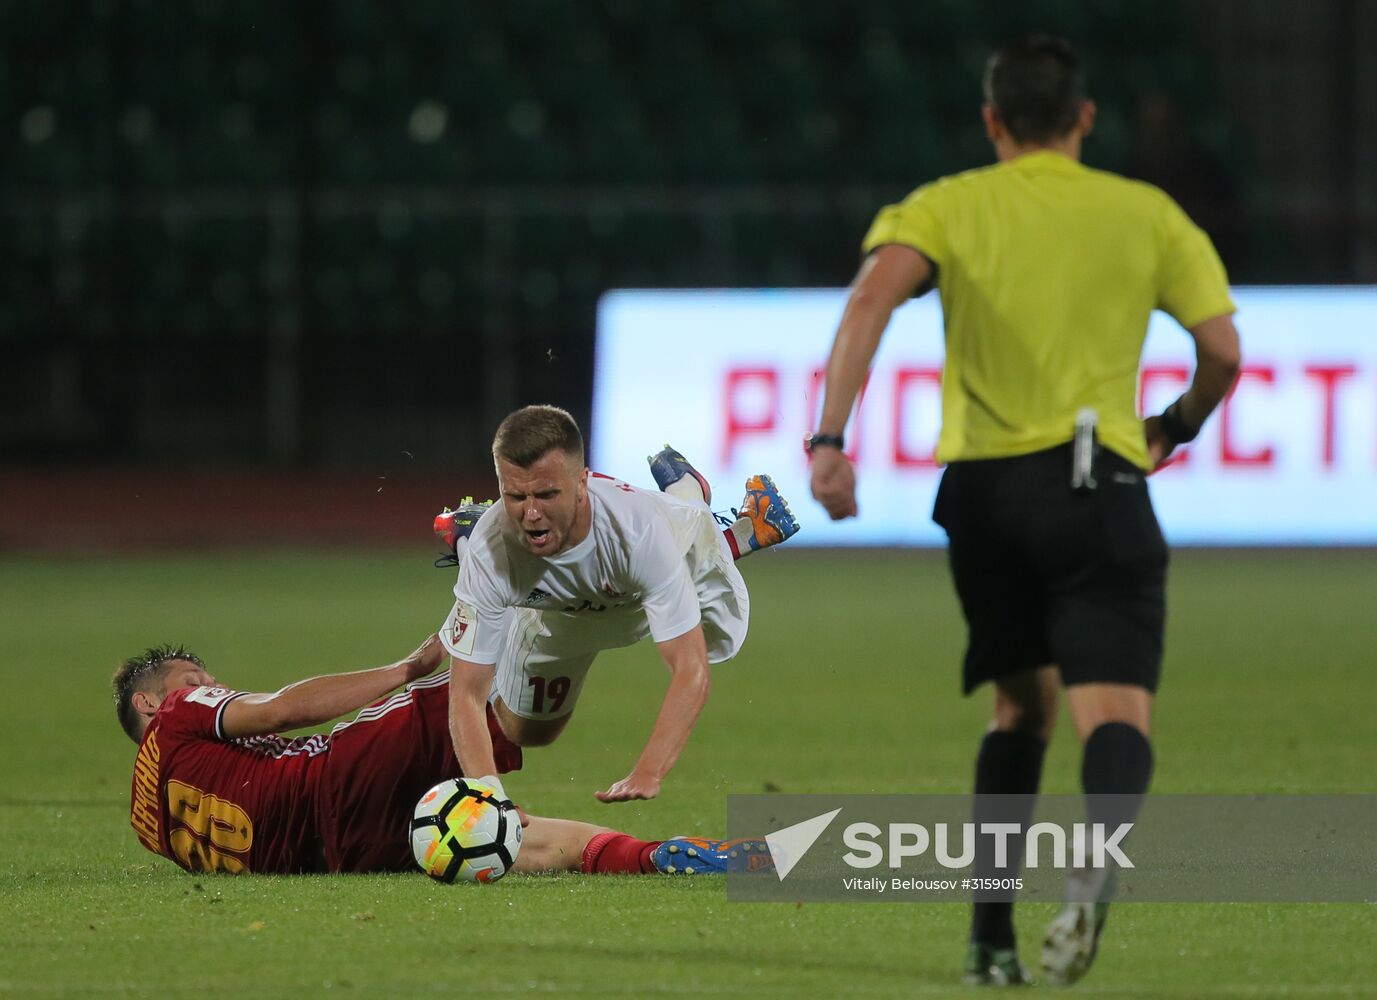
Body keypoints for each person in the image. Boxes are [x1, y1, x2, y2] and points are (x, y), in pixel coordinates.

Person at [808, 35, 1241, 986]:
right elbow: (1220, 351)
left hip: (985, 497)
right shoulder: (1144, 212)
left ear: (991, 120)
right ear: (1083, 117)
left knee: (1019, 707)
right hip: (1098, 484)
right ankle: (1094, 863)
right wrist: (1174, 425)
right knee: (1111, 709)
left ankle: (988, 941)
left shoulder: (946, 204)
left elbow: (870, 298)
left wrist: (829, 439)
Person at [115, 635, 755, 876]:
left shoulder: (149, 823)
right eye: (193, 678)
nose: (210, 684)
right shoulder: (178, 713)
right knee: (479, 692)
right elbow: (282, 709)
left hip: (344, 857)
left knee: (514, 837)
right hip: (335, 779)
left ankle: (665, 857)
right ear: (149, 703)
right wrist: (405, 668)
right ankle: (602, 590)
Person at [442, 406, 798, 806]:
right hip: (567, 613)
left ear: (582, 482)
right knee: (528, 732)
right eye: (516, 496)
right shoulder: (490, 551)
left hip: (652, 565)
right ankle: (465, 536)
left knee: (701, 566)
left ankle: (688, 489)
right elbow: (466, 694)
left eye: (546, 495)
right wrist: (488, 800)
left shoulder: (638, 532)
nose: (532, 514)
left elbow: (690, 670)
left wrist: (648, 771)